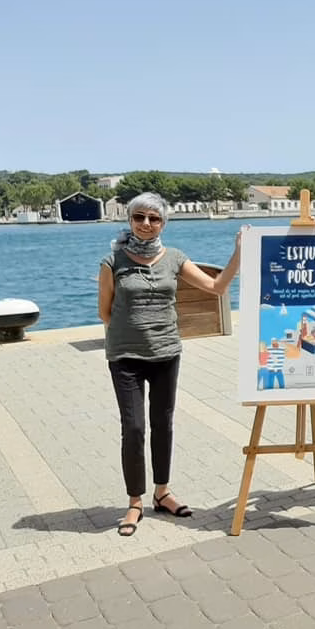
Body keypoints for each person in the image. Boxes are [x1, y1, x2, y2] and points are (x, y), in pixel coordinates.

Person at [98, 193, 244, 537]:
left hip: (166, 353)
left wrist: (240, 252)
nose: (146, 224)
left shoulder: (175, 258)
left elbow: (216, 287)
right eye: (139, 217)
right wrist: (130, 334)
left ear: (163, 223)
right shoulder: (112, 261)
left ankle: (162, 492)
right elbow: (105, 311)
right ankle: (135, 501)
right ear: (130, 220)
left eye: (154, 218)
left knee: (163, 423)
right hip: (124, 357)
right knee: (133, 428)